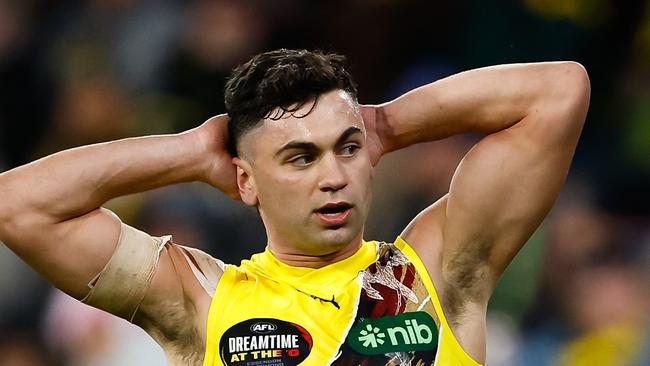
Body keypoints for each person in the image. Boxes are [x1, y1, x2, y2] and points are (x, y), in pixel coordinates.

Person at [0, 49, 590, 366]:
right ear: (247, 181)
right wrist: (191, 153)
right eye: (300, 158)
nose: (334, 177)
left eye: (348, 149)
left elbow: (558, 92)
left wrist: (385, 123)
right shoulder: (201, 302)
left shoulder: (434, 273)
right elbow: (18, 206)